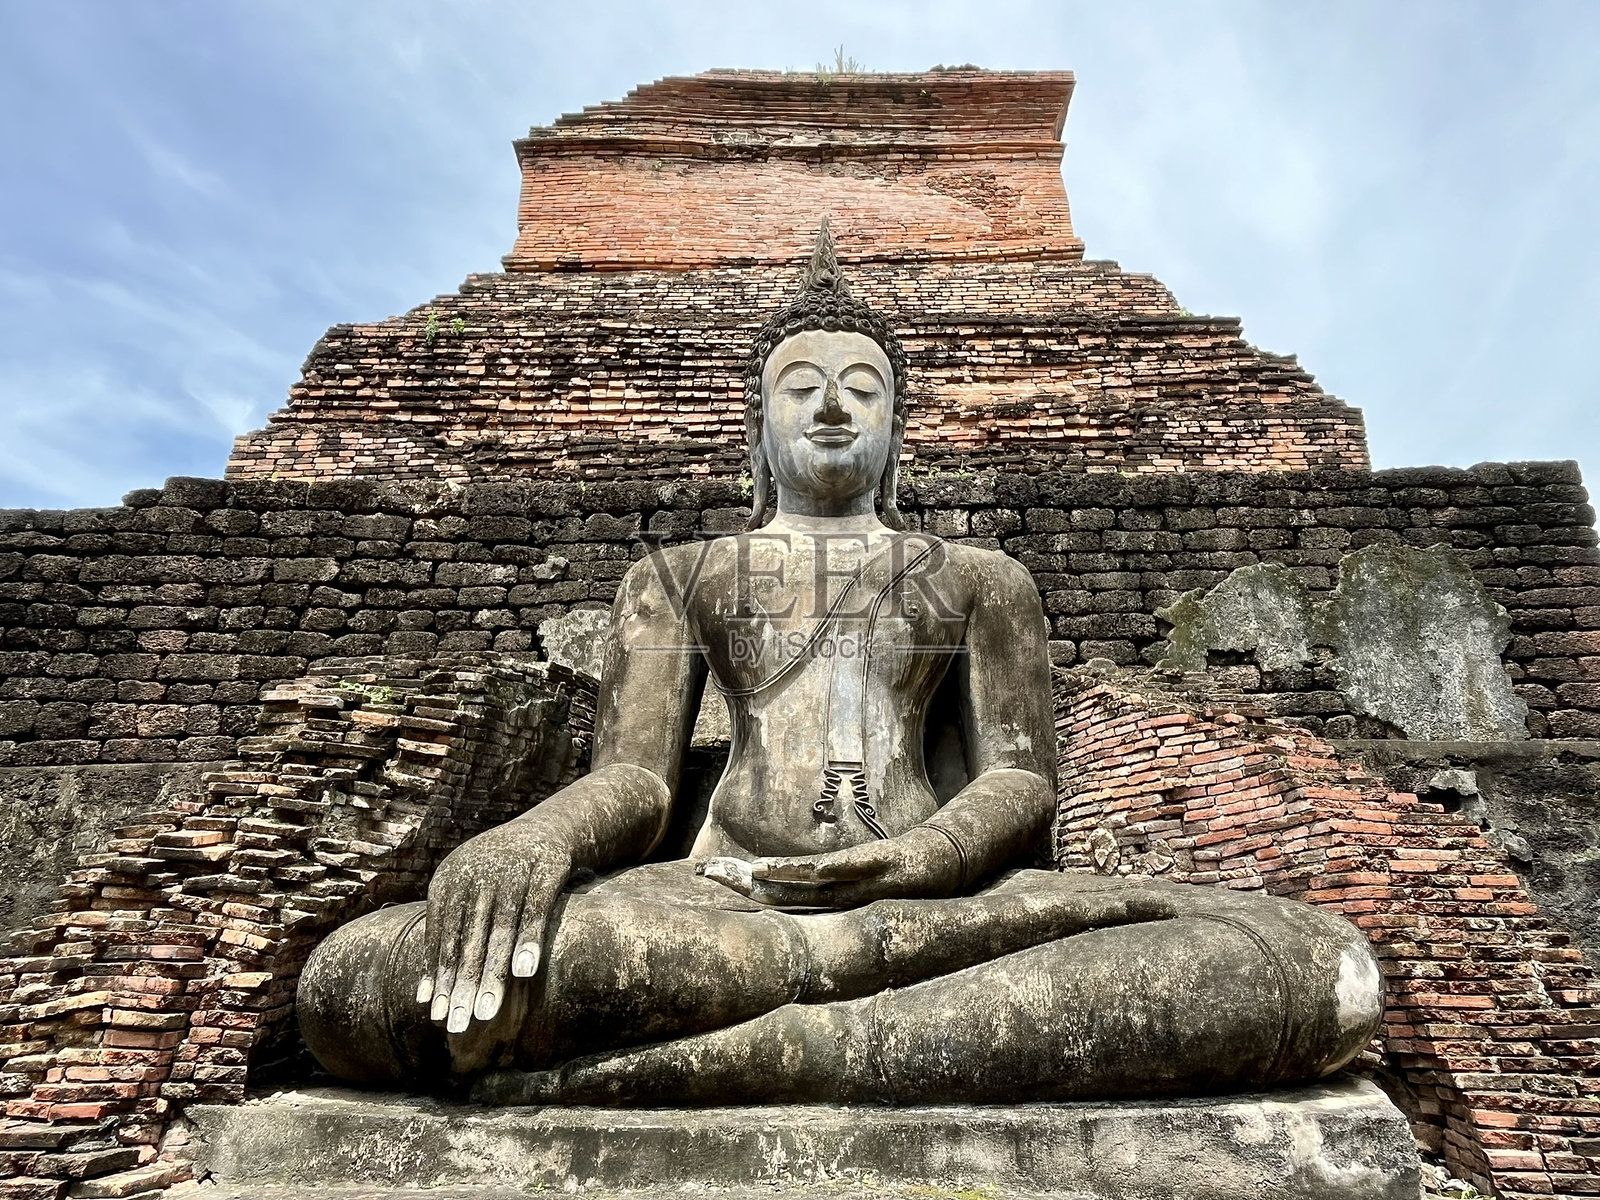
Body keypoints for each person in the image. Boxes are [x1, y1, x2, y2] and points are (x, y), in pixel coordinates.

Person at [298, 222, 1383, 1103]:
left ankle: (760, 1052)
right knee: (359, 984)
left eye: (862, 388)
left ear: (897, 429)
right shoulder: (677, 575)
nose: (830, 407)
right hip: (718, 905)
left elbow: (1019, 778)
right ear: (756, 429)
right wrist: (535, 839)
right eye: (801, 388)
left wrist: (922, 860)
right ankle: (875, 1039)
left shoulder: (980, 577)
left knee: (1308, 966)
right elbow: (635, 781)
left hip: (943, 908)